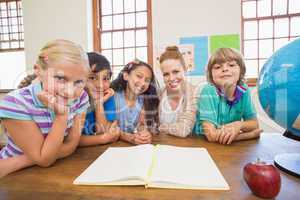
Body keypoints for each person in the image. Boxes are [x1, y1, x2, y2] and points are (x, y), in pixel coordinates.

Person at [0, 39, 90, 178]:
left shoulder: (81, 98)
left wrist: (36, 156)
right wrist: (61, 116)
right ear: (39, 70)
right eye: (60, 78)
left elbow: (72, 144)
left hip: (43, 172)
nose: (70, 92)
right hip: (12, 176)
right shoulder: (15, 103)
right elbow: (45, 160)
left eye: (78, 81)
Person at [194, 48, 262, 144]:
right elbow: (211, 135)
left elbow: (254, 124)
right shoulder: (208, 91)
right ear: (211, 75)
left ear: (241, 71)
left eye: (231, 65)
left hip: (228, 147)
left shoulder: (244, 90)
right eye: (217, 67)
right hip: (201, 144)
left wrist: (239, 125)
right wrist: (249, 135)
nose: (225, 69)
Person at [110, 59, 159, 145]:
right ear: (126, 76)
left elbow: (141, 124)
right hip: (111, 144)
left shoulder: (142, 100)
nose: (143, 83)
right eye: (139, 76)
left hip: (129, 145)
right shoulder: (114, 97)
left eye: (147, 80)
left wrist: (144, 133)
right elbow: (110, 128)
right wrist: (129, 137)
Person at [79, 52, 120, 146]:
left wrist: (99, 104)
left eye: (105, 78)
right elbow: (71, 140)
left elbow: (103, 131)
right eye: (92, 78)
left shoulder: (107, 97)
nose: (100, 85)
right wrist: (103, 139)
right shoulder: (75, 99)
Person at [158, 46, 198, 137]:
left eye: (176, 72)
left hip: (188, 147)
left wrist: (161, 127)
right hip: (162, 146)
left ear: (185, 70)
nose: (171, 78)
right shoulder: (159, 94)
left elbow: (184, 130)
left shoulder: (194, 93)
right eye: (166, 74)